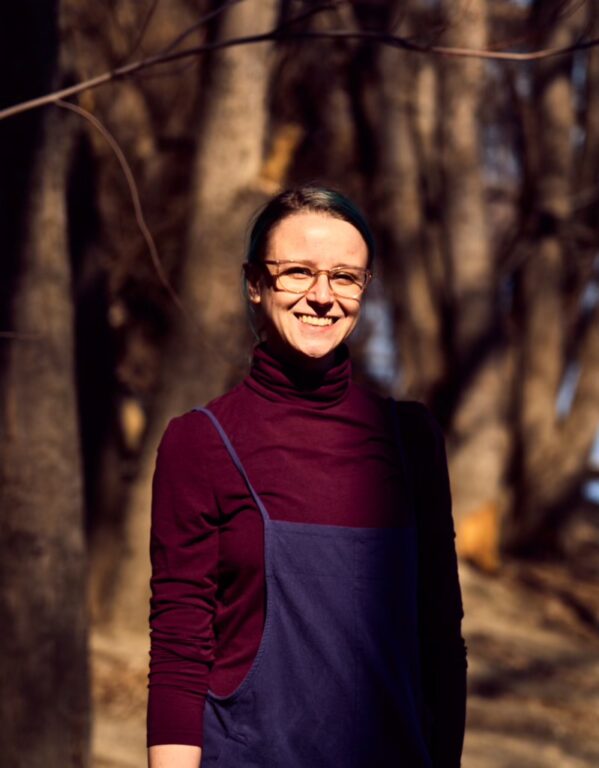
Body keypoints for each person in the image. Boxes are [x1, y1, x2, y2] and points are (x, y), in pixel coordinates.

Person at [147, 186, 467, 768]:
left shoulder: (412, 442)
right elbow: (178, 648)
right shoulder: (200, 442)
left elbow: (441, 640)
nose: (322, 297)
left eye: (346, 277)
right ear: (254, 282)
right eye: (297, 271)